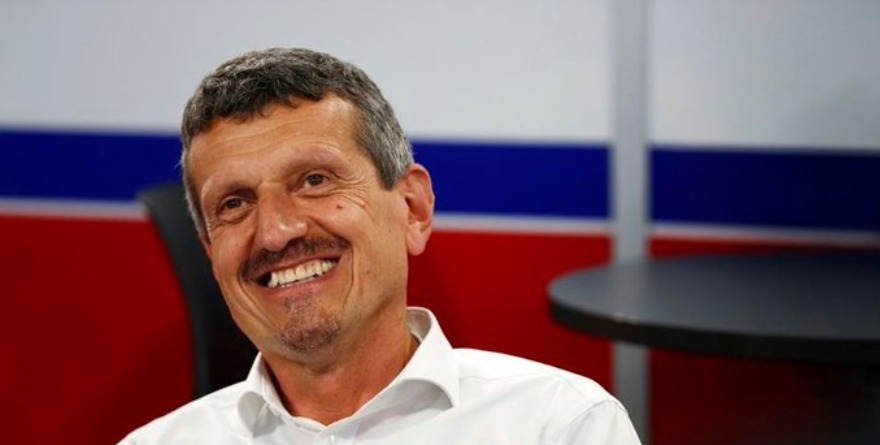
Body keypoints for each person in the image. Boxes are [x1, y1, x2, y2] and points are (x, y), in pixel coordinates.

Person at [120, 47, 640, 444]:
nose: (275, 232)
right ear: (211, 251)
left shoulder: (561, 427)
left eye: (315, 180)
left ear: (412, 209)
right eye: (234, 203)